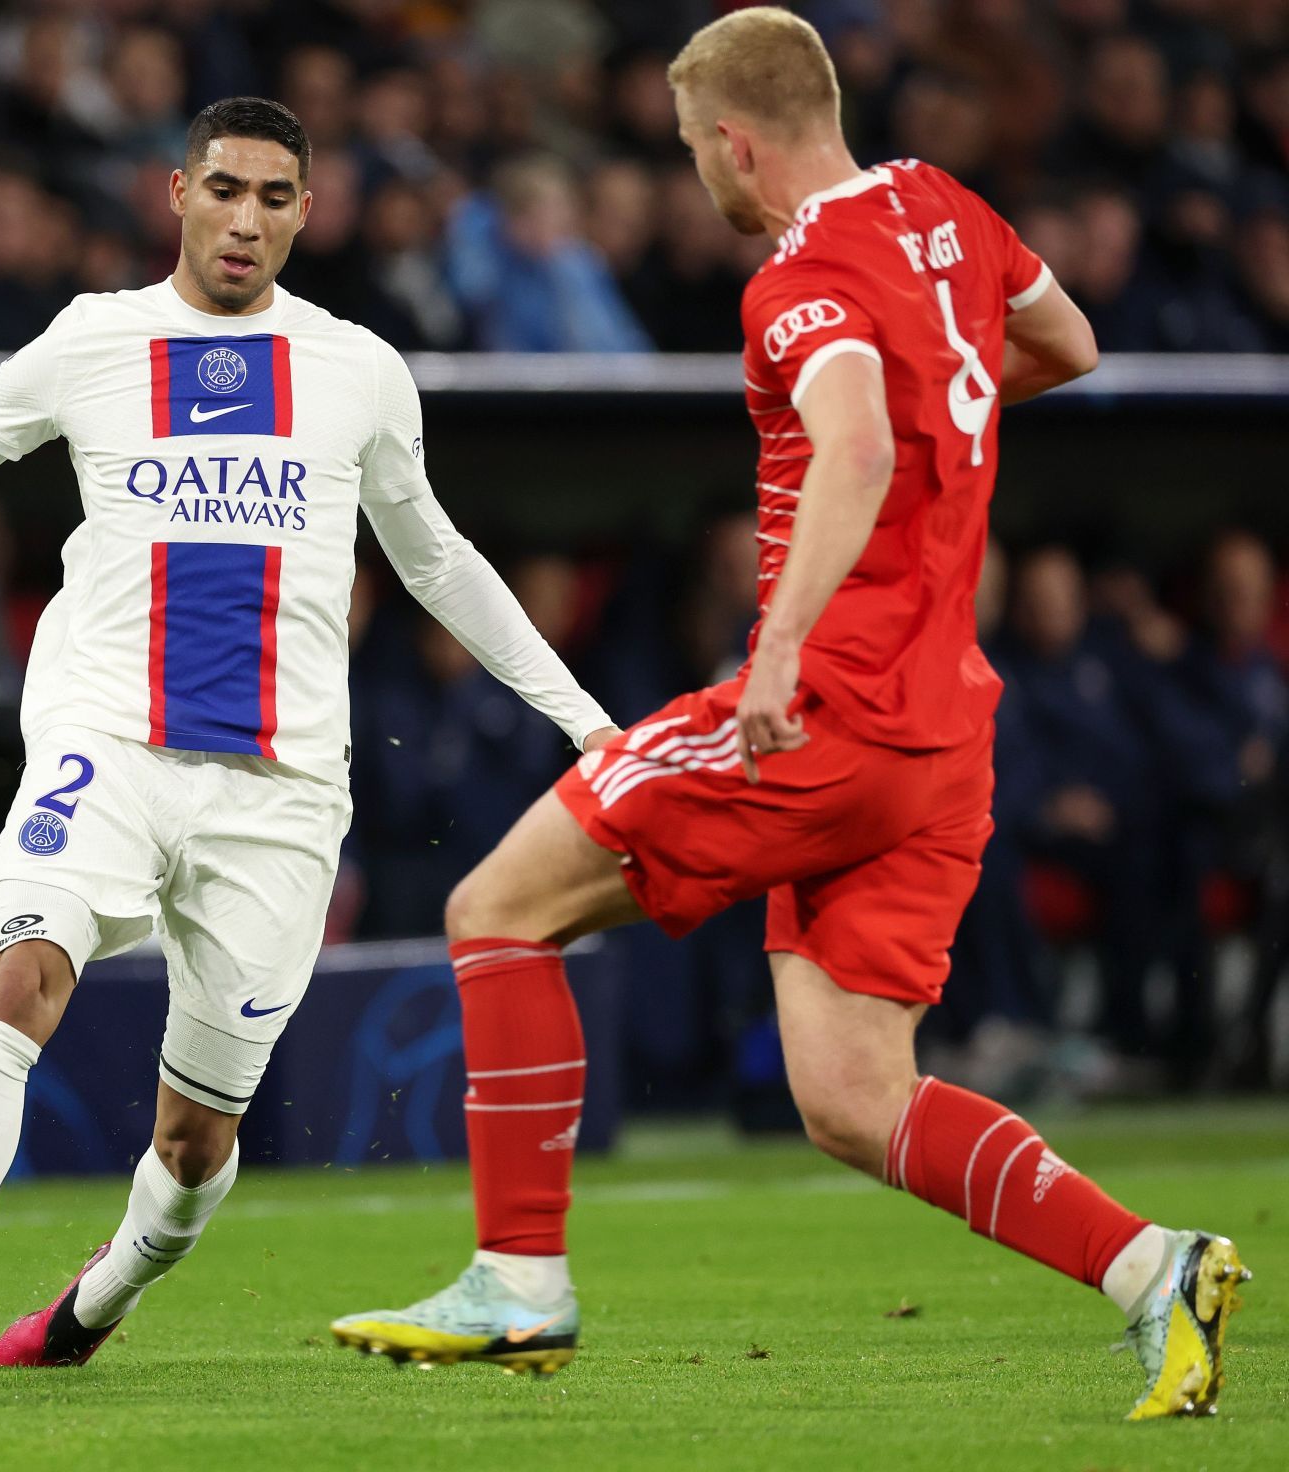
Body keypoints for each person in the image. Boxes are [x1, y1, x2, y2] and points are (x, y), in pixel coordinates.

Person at [331, 9, 1248, 1422]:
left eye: (696, 145)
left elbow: (864, 441)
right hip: (943, 736)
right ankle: (1152, 1269)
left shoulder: (798, 276)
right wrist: (956, 411)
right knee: (854, 1098)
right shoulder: (944, 206)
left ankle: (519, 1282)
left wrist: (780, 654)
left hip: (826, 713)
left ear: (736, 142)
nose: (698, 170)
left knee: (496, 910)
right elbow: (1064, 339)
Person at [0, 96, 619, 1385]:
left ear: (305, 210)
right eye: (225, 189)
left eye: (275, 197)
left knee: (196, 1140)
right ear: (175, 192)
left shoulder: (356, 367)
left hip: (282, 791)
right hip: (107, 737)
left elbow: (440, 562)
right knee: (22, 970)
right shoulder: (94, 340)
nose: (246, 219)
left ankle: (91, 1302)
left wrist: (587, 724)